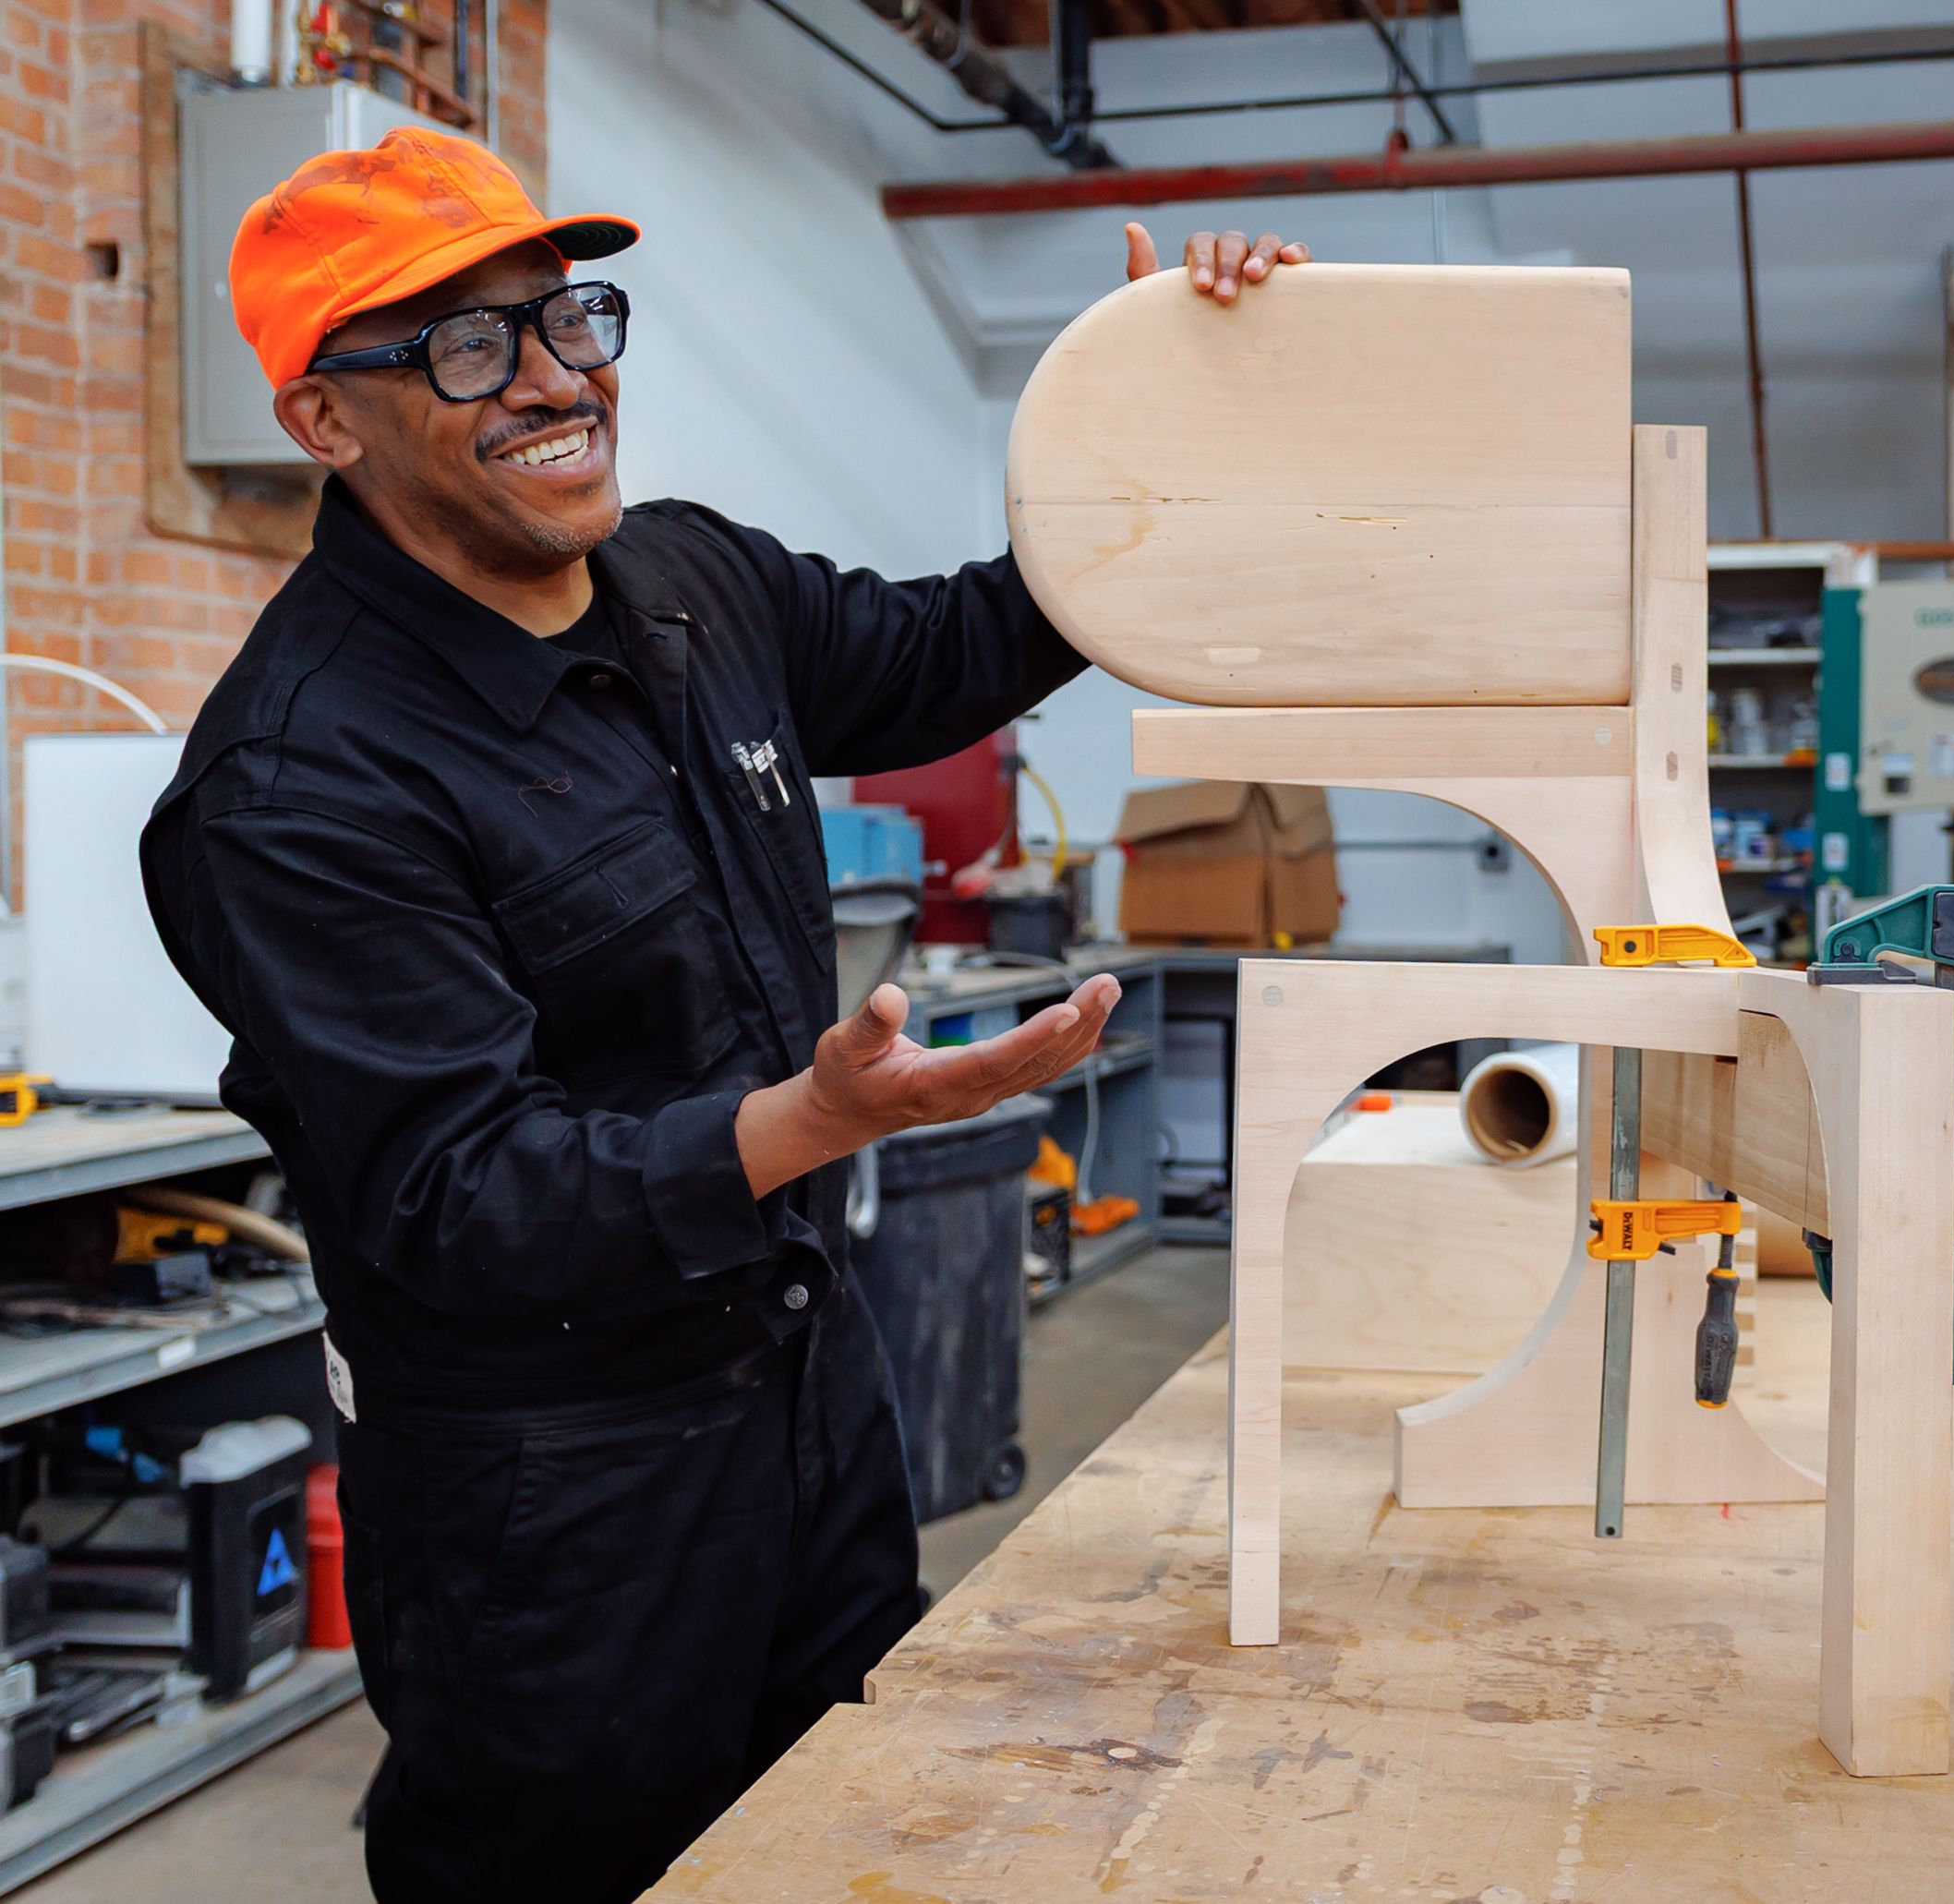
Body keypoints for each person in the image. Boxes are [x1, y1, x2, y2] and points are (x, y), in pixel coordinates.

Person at [139, 127, 1308, 1903]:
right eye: (466, 346)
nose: (555, 380)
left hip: (804, 1395)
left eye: (569, 319)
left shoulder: (694, 584)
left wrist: (1154, 415)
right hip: (555, 1503)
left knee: (850, 1830)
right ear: (324, 420)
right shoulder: (300, 780)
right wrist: (819, 1123)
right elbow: (461, 1196)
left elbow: (953, 648)